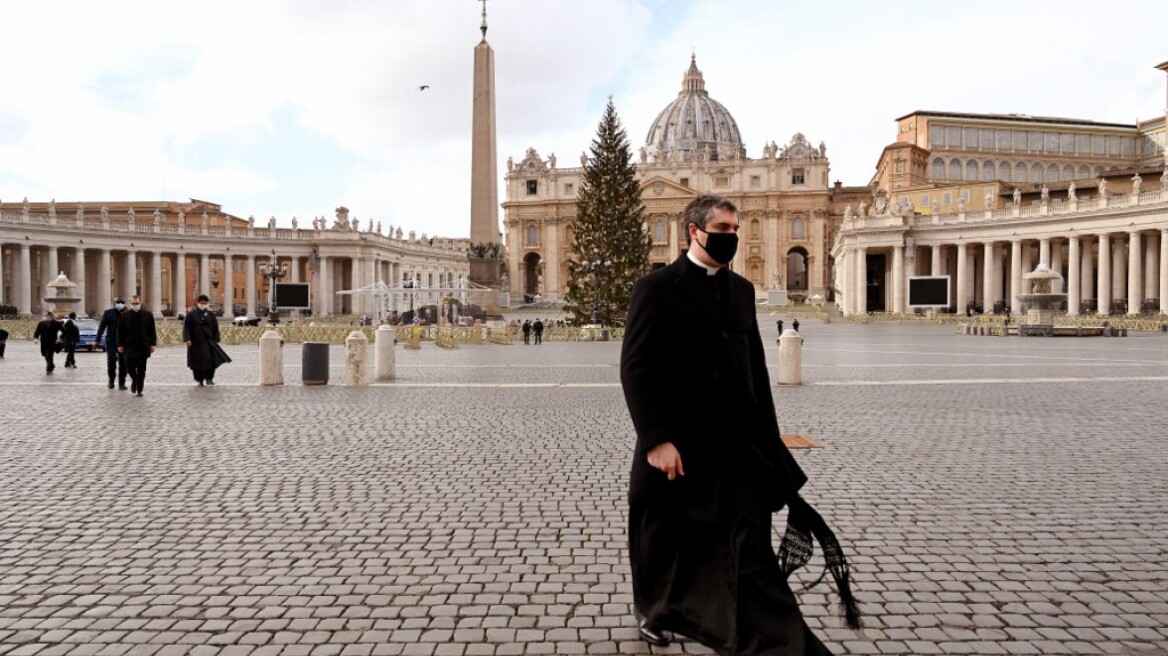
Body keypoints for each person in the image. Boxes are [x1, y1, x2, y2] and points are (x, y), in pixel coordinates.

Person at [620, 195, 860, 655]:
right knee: (663, 534)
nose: (731, 235)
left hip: (735, 444)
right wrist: (656, 439)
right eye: (723, 228)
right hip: (678, 442)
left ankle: (774, 640)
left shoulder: (741, 291)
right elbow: (636, 368)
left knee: (749, 545)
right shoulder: (656, 288)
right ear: (695, 230)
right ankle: (655, 609)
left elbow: (754, 370)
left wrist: (769, 442)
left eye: (735, 227)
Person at [117, 295, 157, 397]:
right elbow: (120, 332)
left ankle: (139, 388)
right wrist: (120, 344)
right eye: (133, 304)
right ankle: (134, 380)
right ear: (130, 304)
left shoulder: (148, 315)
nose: (135, 305)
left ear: (140, 303)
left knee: (141, 369)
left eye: (137, 303)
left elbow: (152, 331)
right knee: (129, 367)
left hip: (143, 346)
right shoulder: (124, 315)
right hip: (129, 346)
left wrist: (153, 344)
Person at [183, 294, 222, 386]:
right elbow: (187, 328)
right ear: (197, 303)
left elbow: (215, 327)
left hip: (209, 342)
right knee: (197, 361)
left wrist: (216, 339)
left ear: (207, 303)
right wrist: (188, 338)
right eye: (201, 303)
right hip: (195, 342)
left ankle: (209, 378)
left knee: (210, 360)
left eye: (205, 303)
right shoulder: (191, 315)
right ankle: (199, 379)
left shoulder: (211, 315)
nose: (203, 305)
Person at [96, 297, 128, 389]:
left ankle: (122, 383)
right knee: (112, 360)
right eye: (118, 302)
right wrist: (97, 340)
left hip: (123, 342)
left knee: (123, 363)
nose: (120, 304)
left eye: (122, 302)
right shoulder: (108, 313)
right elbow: (101, 327)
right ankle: (111, 380)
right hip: (111, 341)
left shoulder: (126, 313)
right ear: (114, 303)